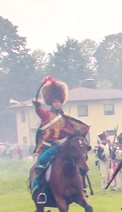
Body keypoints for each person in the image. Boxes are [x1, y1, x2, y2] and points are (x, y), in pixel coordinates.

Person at [32, 76, 90, 204]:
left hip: (63, 146)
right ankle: (39, 190)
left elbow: (71, 130)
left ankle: (82, 188)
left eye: (58, 101)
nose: (57, 103)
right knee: (41, 161)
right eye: (54, 102)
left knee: (80, 163)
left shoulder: (66, 117)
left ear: (61, 101)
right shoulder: (46, 115)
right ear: (51, 103)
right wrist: (37, 106)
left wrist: (72, 134)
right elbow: (39, 111)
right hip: (48, 146)